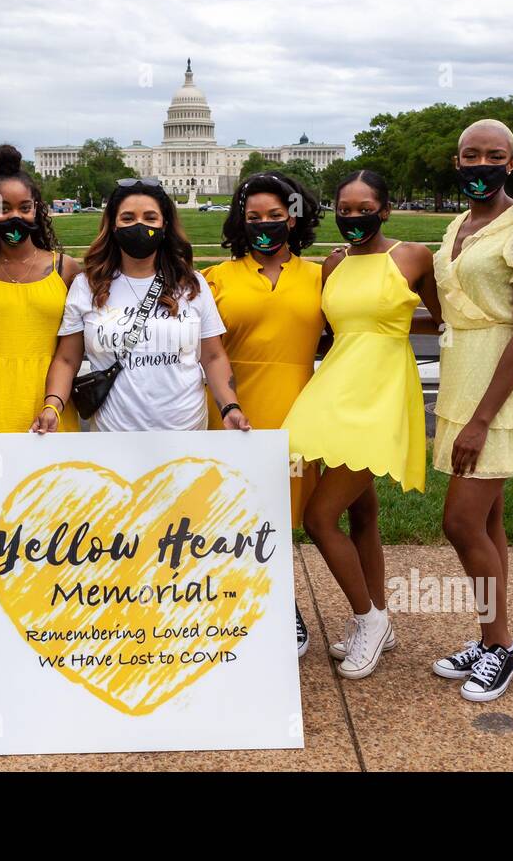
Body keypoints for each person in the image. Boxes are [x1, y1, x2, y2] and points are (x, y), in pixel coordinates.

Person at [282, 170, 440, 679]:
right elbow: (332, 331)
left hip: (383, 393)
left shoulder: (413, 256)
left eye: (364, 207)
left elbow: (443, 318)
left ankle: (367, 619)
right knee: (361, 513)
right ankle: (381, 622)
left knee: (319, 517)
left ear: (386, 208)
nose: (353, 217)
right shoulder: (334, 263)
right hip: (335, 389)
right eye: (344, 209)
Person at [430, 118, 513, 702]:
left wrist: (483, 418)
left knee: (459, 521)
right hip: (462, 376)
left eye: (493, 155)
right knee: (488, 521)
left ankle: (503, 644)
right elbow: (451, 307)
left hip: (501, 388)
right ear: (457, 161)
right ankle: (490, 641)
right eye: (470, 154)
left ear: (511, 163)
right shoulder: (458, 224)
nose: (480, 163)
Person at [204, 170, 327, 659]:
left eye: (276, 216)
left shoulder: (321, 274)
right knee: (232, 516)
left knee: (278, 516)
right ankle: (230, 602)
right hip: (232, 409)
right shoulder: (215, 277)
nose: (265, 225)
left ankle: (281, 604)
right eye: (253, 217)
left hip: (298, 406)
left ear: (294, 217)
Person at [32, 177, 250, 435]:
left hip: (186, 434)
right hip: (114, 437)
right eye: (127, 218)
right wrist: (52, 405)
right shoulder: (87, 286)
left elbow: (213, 357)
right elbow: (67, 360)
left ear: (164, 225)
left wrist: (230, 407)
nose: (139, 225)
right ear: (113, 225)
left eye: (150, 217)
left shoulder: (191, 284)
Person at [0, 144, 81, 525]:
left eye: (24, 207)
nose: (15, 216)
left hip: (48, 400)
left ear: (36, 210)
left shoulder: (67, 269)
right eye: (3, 208)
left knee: (55, 519)